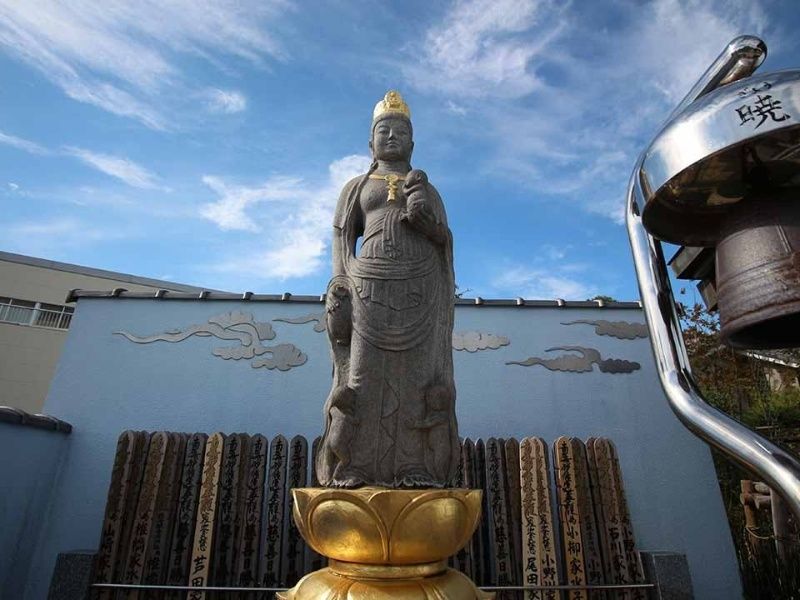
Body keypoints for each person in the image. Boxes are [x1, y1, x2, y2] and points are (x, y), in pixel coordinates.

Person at [316, 91, 459, 488]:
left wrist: (426, 221)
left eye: (400, 131)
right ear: (371, 142)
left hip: (419, 288)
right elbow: (342, 239)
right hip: (368, 288)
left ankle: (414, 466)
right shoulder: (356, 187)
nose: (392, 136)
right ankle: (353, 465)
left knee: (416, 380)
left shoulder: (427, 190)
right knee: (361, 378)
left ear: (412, 143)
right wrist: (339, 282)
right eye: (384, 130)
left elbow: (443, 239)